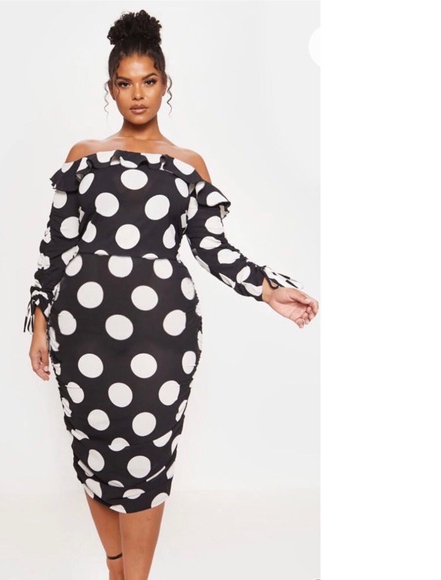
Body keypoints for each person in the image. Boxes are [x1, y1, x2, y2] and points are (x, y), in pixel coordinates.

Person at [23, 9, 319, 580]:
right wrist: (39, 325)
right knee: (93, 452)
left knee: (145, 460)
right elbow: (53, 252)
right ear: (110, 89)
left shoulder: (188, 166)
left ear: (166, 83)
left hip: (161, 335)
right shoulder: (83, 157)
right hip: (81, 334)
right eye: (125, 83)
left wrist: (269, 289)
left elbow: (213, 248)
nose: (138, 94)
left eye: (149, 80)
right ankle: (115, 567)